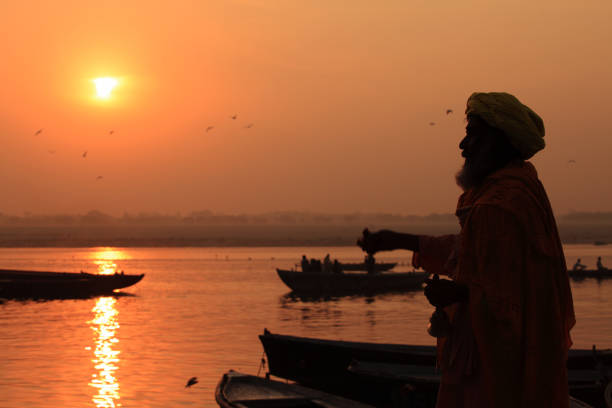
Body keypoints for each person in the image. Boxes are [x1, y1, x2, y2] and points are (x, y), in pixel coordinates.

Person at [357, 92, 575, 407]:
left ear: (501, 143)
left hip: (494, 369)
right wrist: (399, 240)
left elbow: (504, 298)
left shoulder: (499, 205)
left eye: (473, 135)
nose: (463, 145)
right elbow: (474, 253)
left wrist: (457, 294)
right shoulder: (516, 193)